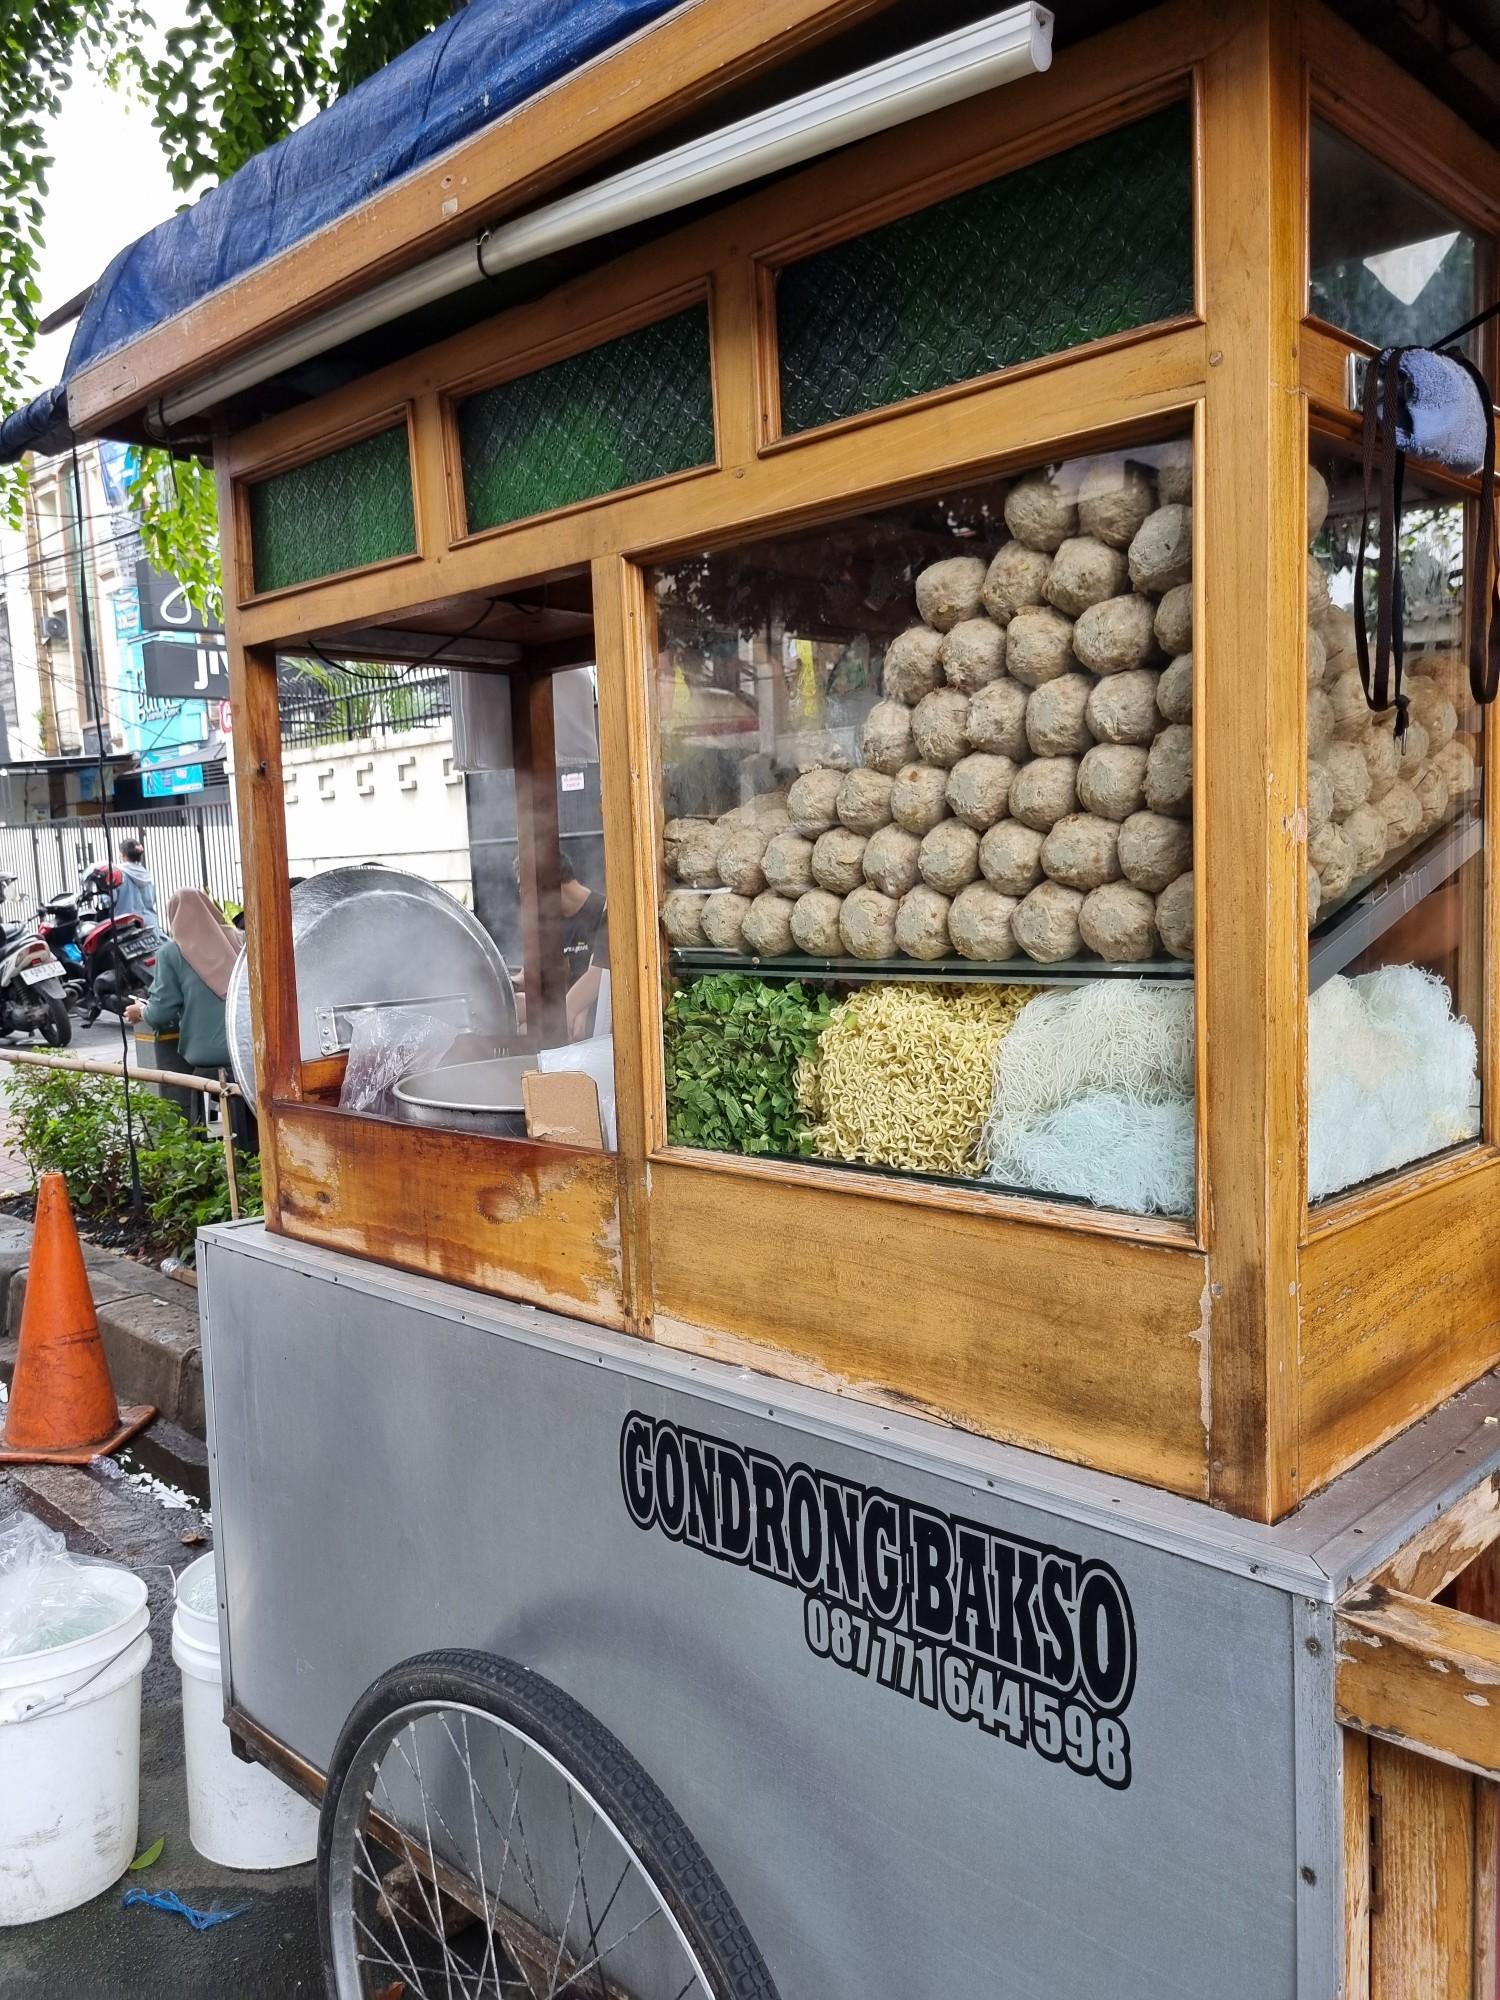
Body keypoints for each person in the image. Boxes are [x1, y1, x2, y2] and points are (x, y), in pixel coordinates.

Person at [124, 889, 254, 1148]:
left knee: (218, 1144)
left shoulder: (172, 953)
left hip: (212, 1072)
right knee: (254, 1143)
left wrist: (140, 1011)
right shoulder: (239, 941)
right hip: (250, 1065)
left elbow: (161, 1013)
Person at [111, 840, 157, 923]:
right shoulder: (146, 874)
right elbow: (152, 899)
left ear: (122, 854)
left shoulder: (118, 874)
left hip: (128, 926)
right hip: (150, 924)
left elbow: (109, 900)